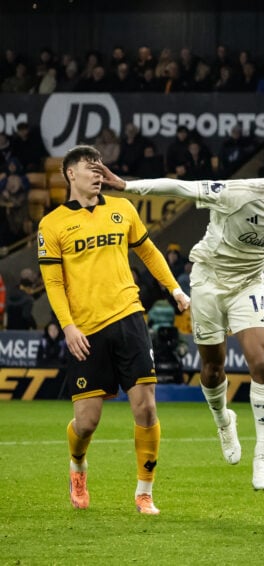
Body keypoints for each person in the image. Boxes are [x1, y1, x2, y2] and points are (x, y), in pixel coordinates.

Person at [97, 154, 264, 491]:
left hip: (249, 284)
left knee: (260, 361)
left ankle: (263, 453)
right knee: (213, 367)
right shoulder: (236, 193)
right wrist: (127, 186)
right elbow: (180, 188)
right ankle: (222, 419)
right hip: (209, 281)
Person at [38, 145, 191, 515]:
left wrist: (175, 289)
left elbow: (150, 252)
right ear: (70, 174)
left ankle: (144, 492)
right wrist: (68, 327)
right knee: (87, 422)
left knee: (146, 407)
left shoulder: (122, 209)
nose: (97, 172)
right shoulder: (52, 224)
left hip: (129, 317)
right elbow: (54, 283)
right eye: (90, 167)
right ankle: (77, 466)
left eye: (100, 167)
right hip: (86, 331)